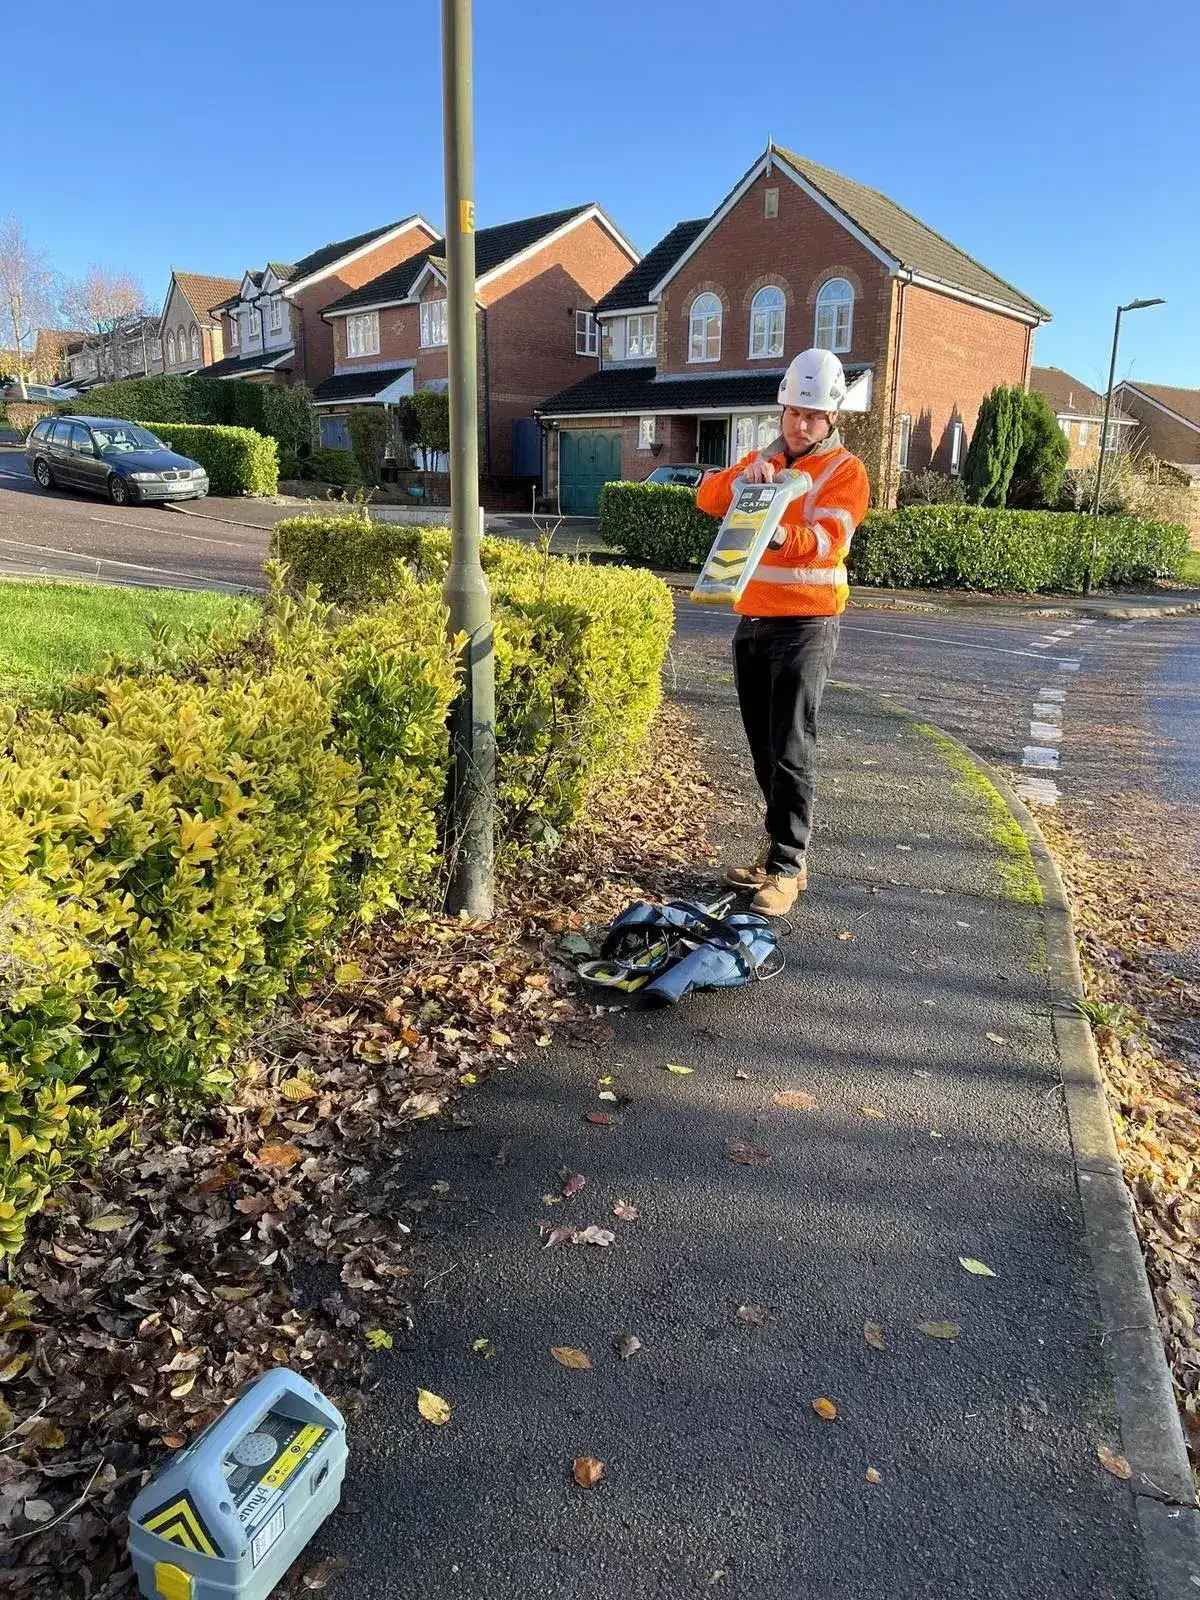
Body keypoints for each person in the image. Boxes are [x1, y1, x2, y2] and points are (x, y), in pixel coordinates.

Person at [696, 348, 871, 916]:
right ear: (782, 409)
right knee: (763, 747)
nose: (800, 423)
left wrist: (775, 531)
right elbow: (707, 498)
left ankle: (789, 868)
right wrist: (743, 478)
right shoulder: (763, 459)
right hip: (753, 621)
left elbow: (828, 539)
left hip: (807, 623)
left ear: (832, 419)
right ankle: (777, 853)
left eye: (812, 415)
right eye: (794, 411)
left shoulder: (845, 471)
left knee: (792, 747)